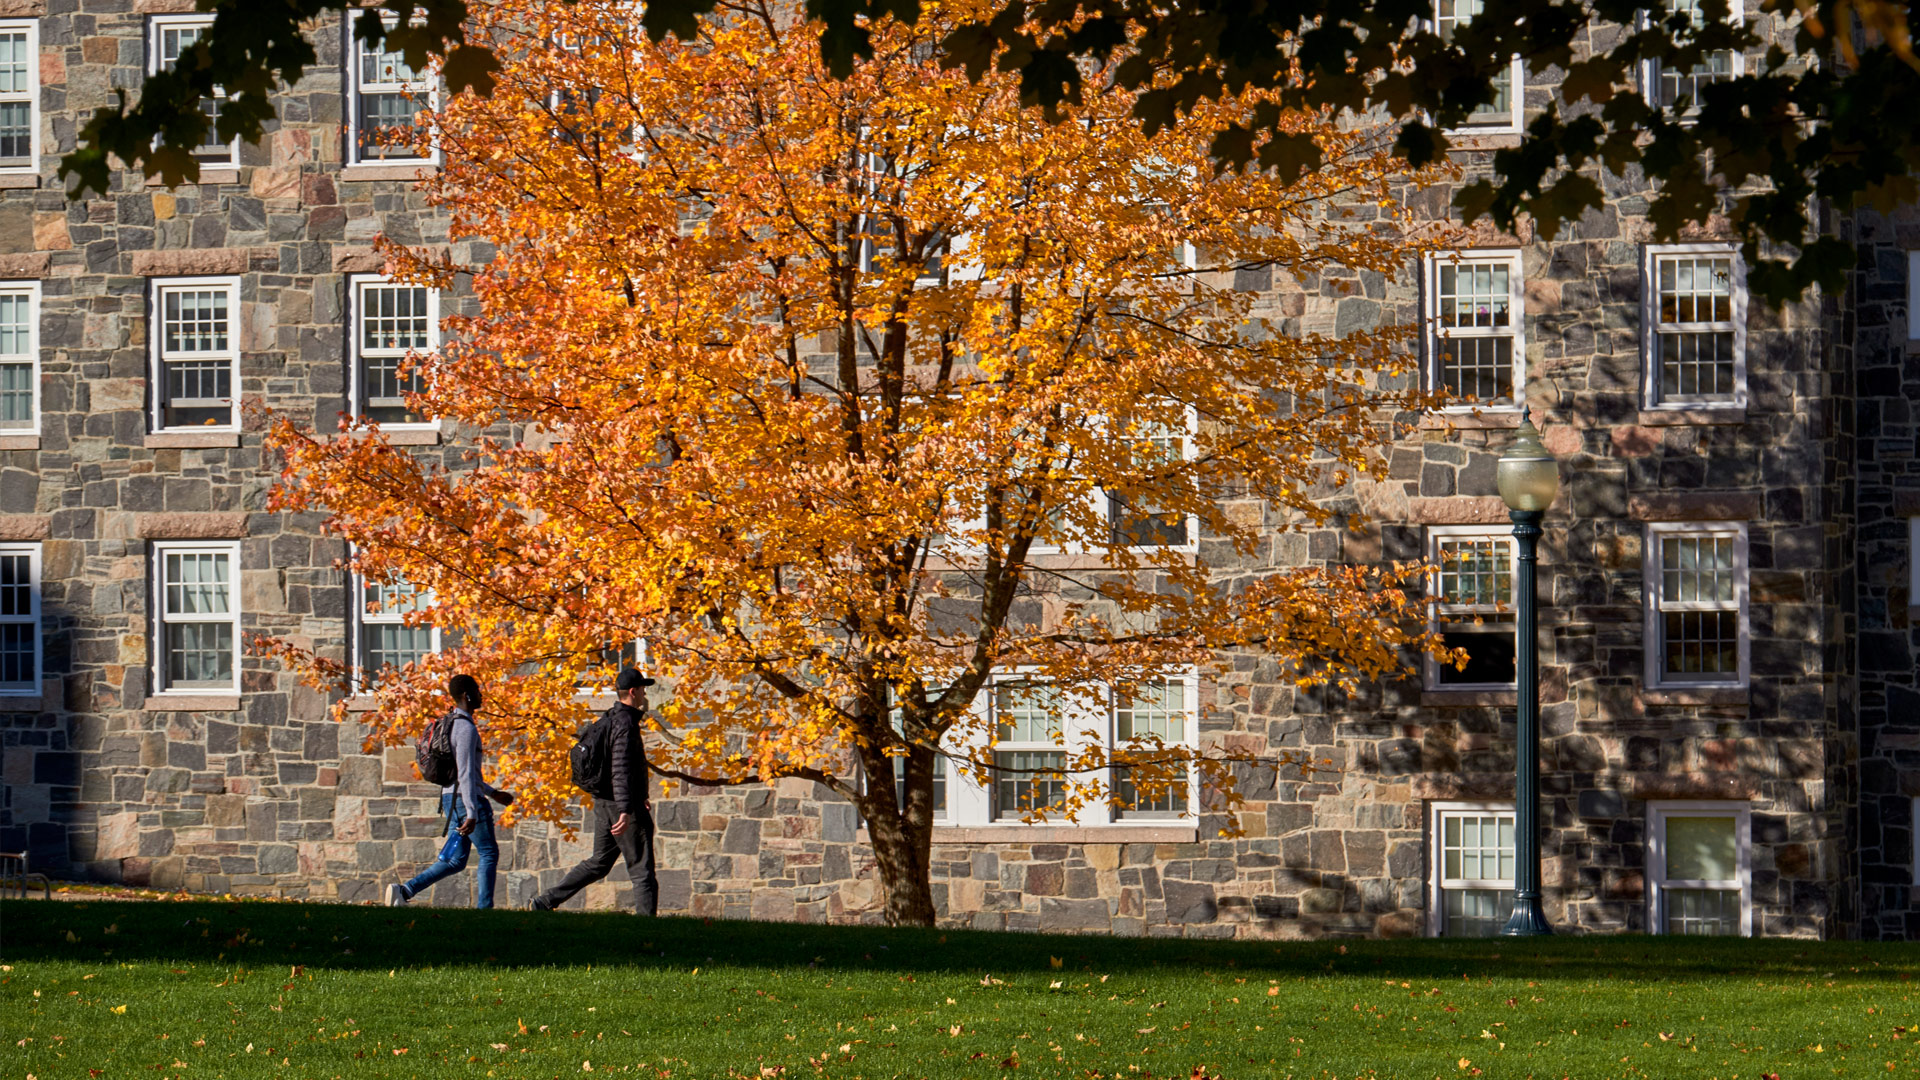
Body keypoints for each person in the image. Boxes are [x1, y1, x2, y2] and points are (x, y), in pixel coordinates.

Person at [530, 668, 659, 914]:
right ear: (633, 692)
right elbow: (620, 768)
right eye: (642, 688)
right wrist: (625, 809)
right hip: (620, 805)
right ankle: (647, 931)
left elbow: (623, 766)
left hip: (603, 803)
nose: (644, 693)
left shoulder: (610, 718)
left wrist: (641, 795)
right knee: (642, 870)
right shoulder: (625, 723)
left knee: (599, 862)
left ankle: (544, 901)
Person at [385, 673, 515, 908]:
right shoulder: (465, 728)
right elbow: (465, 773)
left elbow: (463, 775)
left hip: (450, 798)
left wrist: (493, 793)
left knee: (455, 861)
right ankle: (485, 911)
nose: (481, 695)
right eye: (477, 690)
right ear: (467, 695)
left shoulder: (451, 723)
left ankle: (403, 891)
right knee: (488, 853)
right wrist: (473, 813)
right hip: (465, 800)